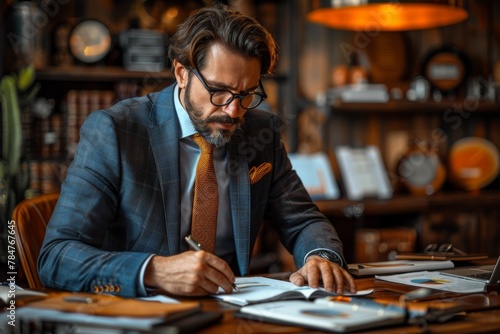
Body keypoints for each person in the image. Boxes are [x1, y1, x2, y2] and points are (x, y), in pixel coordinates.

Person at [38, 4, 356, 298]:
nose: (233, 111)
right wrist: (153, 270)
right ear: (181, 73)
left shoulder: (261, 131)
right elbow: (57, 257)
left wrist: (320, 257)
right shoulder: (114, 131)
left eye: (246, 94)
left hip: (234, 311)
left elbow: (302, 220)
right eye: (218, 91)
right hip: (140, 313)